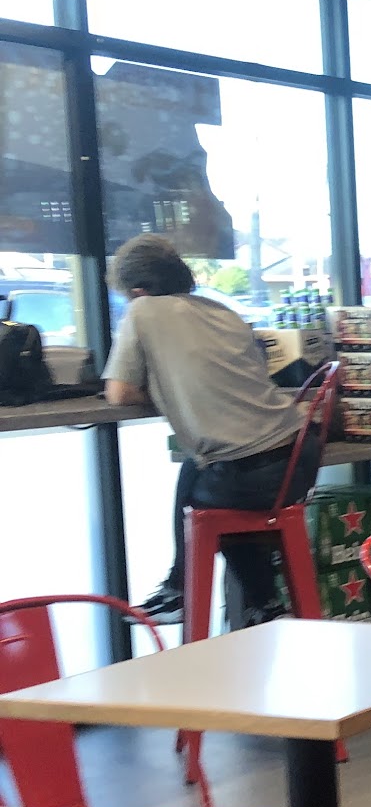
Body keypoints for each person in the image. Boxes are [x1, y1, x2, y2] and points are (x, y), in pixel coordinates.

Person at [103, 234, 319, 623]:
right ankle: (256, 604)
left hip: (254, 469)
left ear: (136, 290)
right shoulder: (222, 311)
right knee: (202, 470)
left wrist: (165, 386)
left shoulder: (143, 311)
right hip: (299, 453)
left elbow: (119, 393)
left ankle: (191, 593)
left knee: (209, 504)